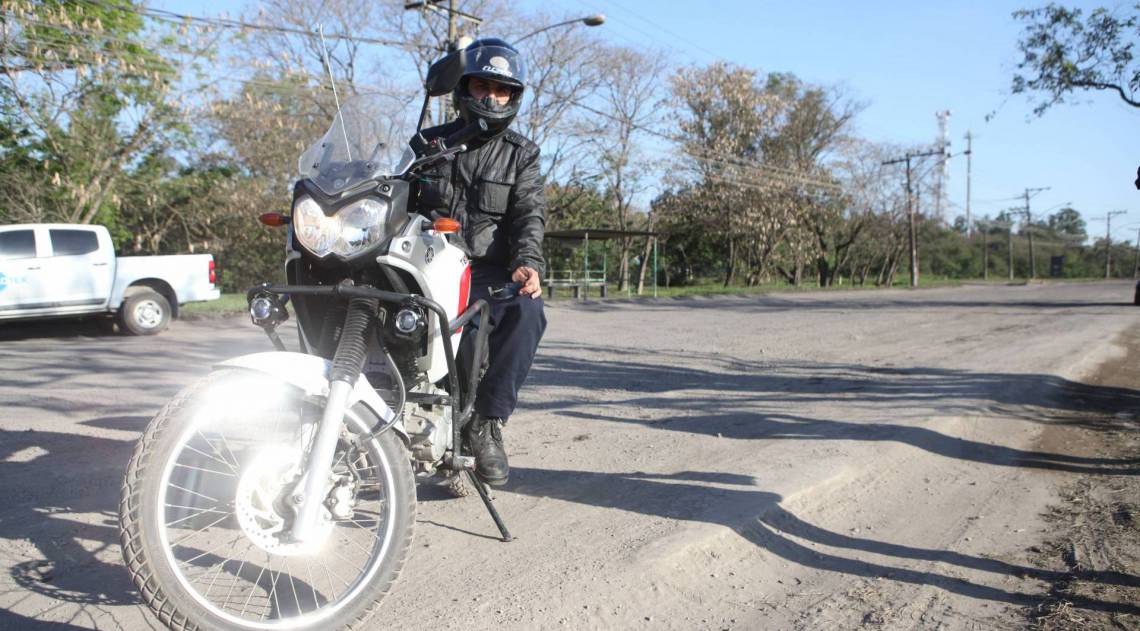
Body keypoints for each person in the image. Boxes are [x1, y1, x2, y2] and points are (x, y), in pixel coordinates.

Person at [413, 38, 546, 486]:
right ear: (464, 89)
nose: (491, 97)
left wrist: (527, 262)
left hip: (486, 270)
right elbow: (396, 195)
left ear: (513, 97)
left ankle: (486, 422)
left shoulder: (521, 154)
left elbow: (529, 214)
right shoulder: (429, 143)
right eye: (482, 86)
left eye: (502, 90)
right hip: (427, 263)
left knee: (527, 310)